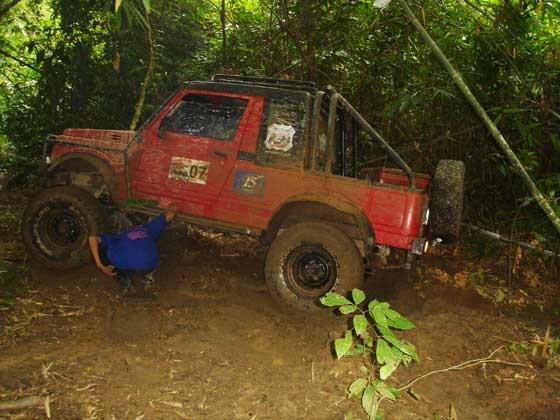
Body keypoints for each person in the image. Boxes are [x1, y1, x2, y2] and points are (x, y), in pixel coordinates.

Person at [88, 204, 177, 294]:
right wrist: (171, 207)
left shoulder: (116, 237)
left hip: (125, 264)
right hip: (149, 263)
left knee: (101, 250)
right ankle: (146, 277)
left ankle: (125, 281)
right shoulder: (148, 228)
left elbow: (92, 238)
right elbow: (170, 214)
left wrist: (99, 265)